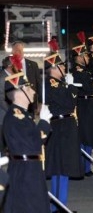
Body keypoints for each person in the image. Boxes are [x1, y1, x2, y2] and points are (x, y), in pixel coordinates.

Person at [3, 71, 52, 213]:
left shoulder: (22, 115)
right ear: (20, 92)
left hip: (30, 170)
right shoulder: (15, 117)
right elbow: (33, 143)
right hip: (25, 173)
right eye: (29, 88)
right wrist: (43, 123)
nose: (33, 91)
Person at [44, 53, 85, 212]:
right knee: (61, 168)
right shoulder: (52, 83)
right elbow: (70, 102)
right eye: (60, 66)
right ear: (54, 68)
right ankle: (58, 206)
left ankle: (59, 205)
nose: (63, 68)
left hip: (66, 126)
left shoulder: (59, 83)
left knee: (62, 169)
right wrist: (71, 87)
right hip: (61, 127)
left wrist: (68, 87)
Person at [72, 49, 93, 177]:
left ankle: (86, 167)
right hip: (83, 106)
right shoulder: (76, 72)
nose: (88, 58)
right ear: (79, 58)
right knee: (84, 137)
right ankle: (82, 168)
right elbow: (90, 87)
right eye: (85, 56)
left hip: (90, 105)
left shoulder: (86, 71)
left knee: (89, 136)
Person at [11, 41, 41, 114]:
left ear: (23, 51)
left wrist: (39, 103)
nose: (18, 52)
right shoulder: (9, 66)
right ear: (12, 51)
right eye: (16, 50)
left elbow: (39, 85)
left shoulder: (33, 65)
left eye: (20, 50)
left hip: (30, 103)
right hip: (14, 104)